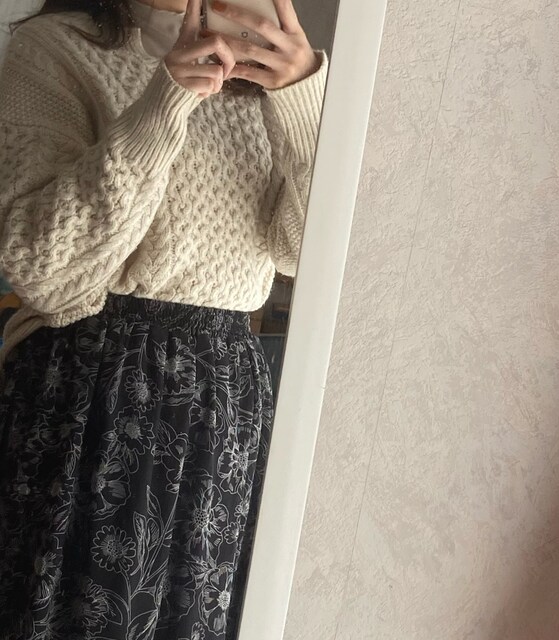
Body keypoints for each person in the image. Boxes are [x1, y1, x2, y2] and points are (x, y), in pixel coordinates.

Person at [0, 0, 328, 637]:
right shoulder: (57, 48)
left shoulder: (265, 79)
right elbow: (43, 262)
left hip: (226, 399)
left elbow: (309, 255)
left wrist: (301, 101)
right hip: (94, 386)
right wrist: (164, 100)